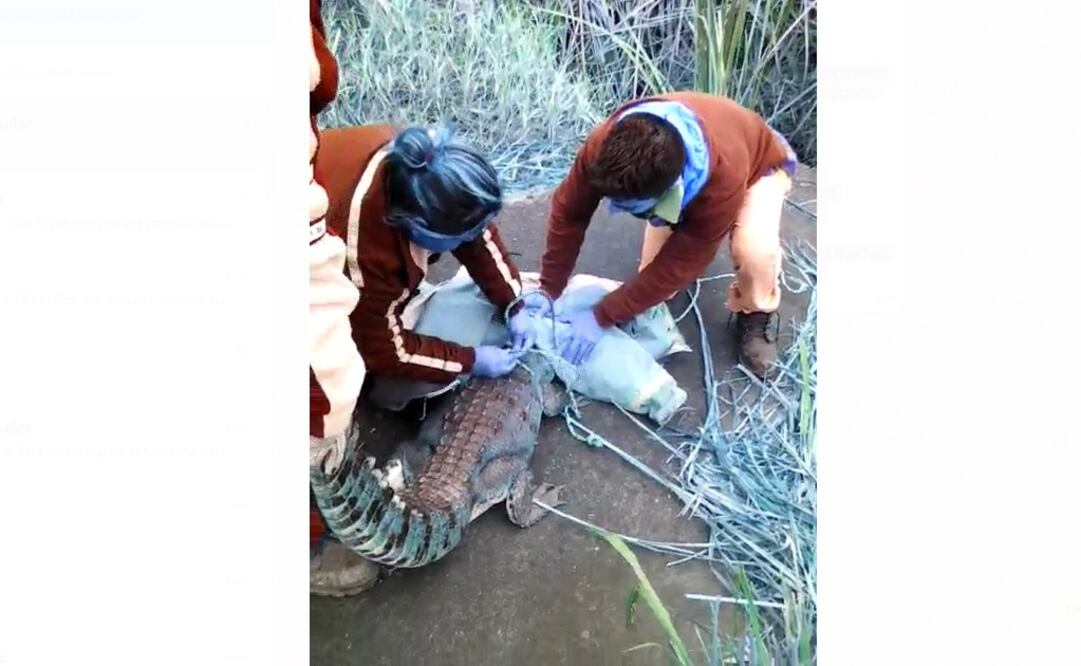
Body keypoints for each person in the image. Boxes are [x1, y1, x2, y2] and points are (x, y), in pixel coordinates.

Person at [522, 91, 798, 378]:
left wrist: (600, 316)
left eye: (630, 207)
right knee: (651, 280)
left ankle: (756, 312)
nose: (616, 210)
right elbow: (570, 214)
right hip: (695, 162)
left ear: (672, 191)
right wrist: (550, 287)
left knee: (753, 251)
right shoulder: (600, 148)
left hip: (760, 164)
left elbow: (681, 263)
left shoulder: (722, 183)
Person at [314, 123, 537, 412]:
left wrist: (514, 304)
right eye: (462, 236)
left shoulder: (422, 166)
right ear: (417, 225)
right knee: (349, 374)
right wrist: (471, 360)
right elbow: (383, 350)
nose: (474, 237)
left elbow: (476, 232)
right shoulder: (366, 256)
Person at [308, 0, 381, 597]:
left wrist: (515, 300)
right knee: (321, 396)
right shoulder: (365, 222)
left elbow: (476, 236)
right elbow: (377, 336)